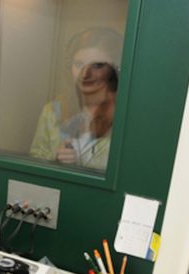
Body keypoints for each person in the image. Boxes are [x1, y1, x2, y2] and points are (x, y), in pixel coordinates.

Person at [29, 27, 122, 171]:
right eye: (78, 64)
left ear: (116, 69)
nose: (85, 74)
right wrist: (55, 157)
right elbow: (35, 158)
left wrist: (82, 161)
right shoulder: (53, 111)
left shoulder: (127, 118)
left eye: (97, 65)